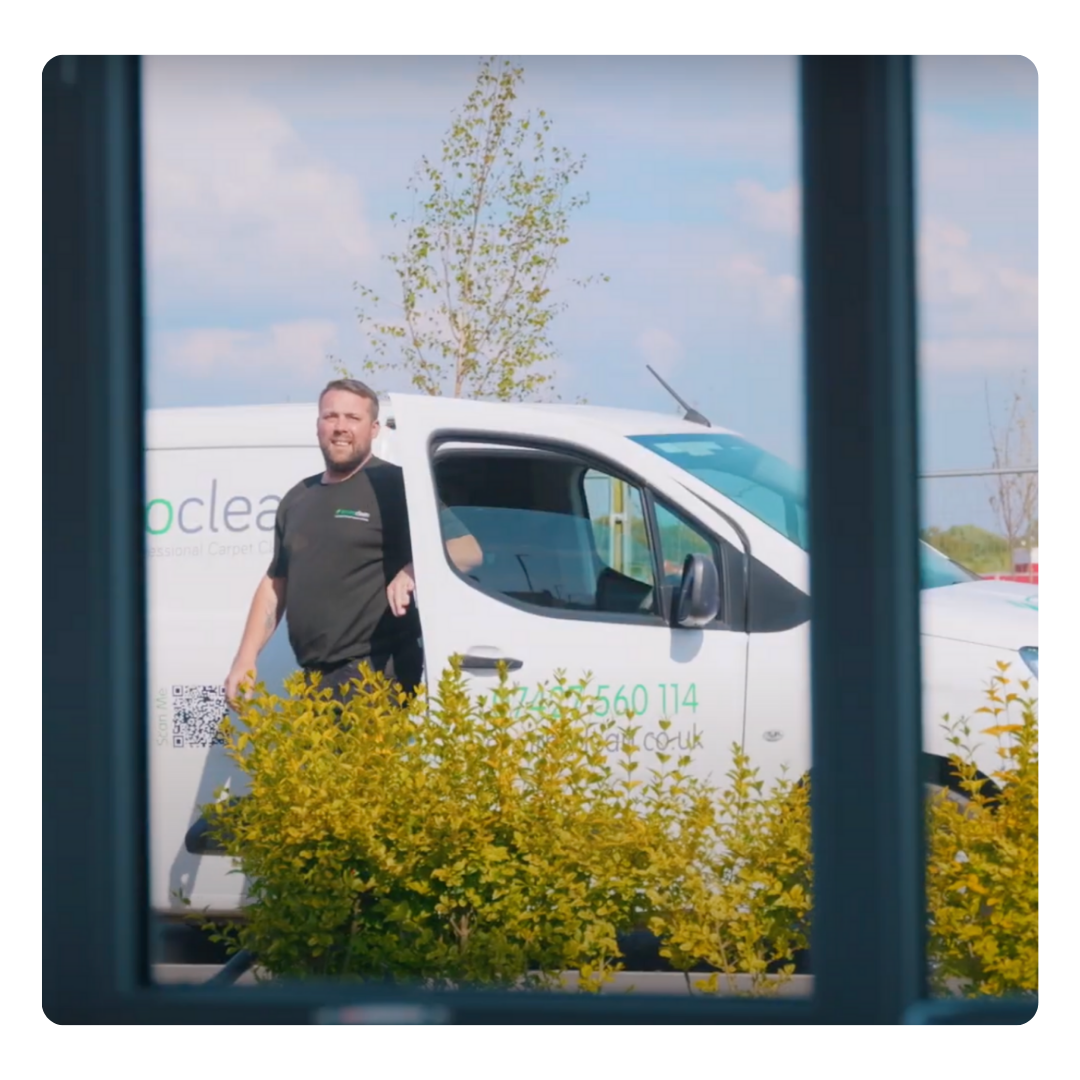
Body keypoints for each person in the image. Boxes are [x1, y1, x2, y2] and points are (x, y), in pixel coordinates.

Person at [223, 378, 482, 709]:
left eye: (352, 418)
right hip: (316, 677)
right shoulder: (298, 498)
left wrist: (412, 570)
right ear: (318, 425)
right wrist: (245, 659)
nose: (340, 427)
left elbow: (468, 550)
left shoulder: (396, 486)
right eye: (331, 417)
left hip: (376, 673)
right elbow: (276, 583)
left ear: (374, 429)